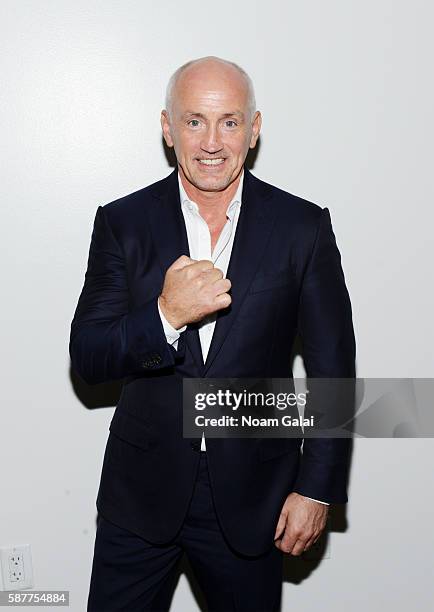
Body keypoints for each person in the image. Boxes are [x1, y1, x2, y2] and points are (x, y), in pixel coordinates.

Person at [69, 55, 356, 612]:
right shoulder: (122, 222)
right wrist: (165, 315)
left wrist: (317, 487)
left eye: (229, 121)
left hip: (255, 496)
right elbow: (89, 355)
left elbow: (333, 370)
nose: (211, 141)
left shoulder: (303, 227)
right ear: (167, 127)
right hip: (141, 494)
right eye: (194, 120)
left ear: (254, 129)